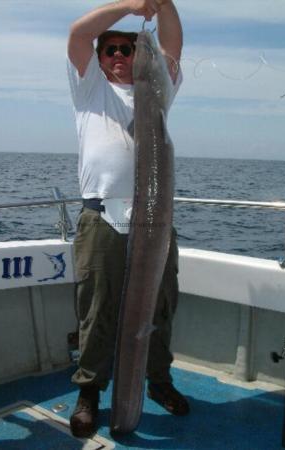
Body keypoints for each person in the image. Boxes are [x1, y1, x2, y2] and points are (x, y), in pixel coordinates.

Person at [66, 0, 188, 438]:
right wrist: (133, 5)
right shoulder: (89, 89)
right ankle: (89, 393)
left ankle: (158, 382)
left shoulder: (156, 89)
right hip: (102, 219)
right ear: (99, 59)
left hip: (155, 221)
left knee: (158, 305)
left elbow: (172, 42)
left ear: (140, 57)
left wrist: (163, 3)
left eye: (128, 49)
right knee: (96, 310)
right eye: (111, 50)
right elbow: (80, 33)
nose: (119, 56)